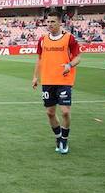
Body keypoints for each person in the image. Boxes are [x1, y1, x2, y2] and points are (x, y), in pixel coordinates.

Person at [32, 10, 81, 155]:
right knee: (50, 113)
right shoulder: (42, 39)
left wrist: (69, 65)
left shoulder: (69, 38)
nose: (50, 24)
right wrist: (35, 77)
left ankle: (64, 140)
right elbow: (39, 59)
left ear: (60, 22)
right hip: (47, 80)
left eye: (53, 21)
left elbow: (78, 57)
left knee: (65, 111)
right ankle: (58, 137)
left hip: (64, 79)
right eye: (48, 21)